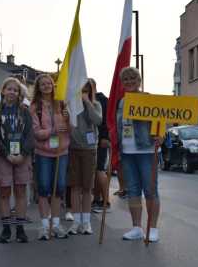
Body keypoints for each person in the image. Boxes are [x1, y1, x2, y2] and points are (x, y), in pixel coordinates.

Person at [116, 67, 161, 242]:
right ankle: (136, 227)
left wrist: (161, 135)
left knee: (150, 190)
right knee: (133, 190)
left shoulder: (147, 98)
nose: (129, 81)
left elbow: (160, 120)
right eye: (125, 79)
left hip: (146, 150)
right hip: (127, 151)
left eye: (132, 78)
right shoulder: (121, 102)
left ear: (139, 80)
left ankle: (153, 228)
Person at [0, 77, 34, 244]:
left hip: (23, 156)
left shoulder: (25, 111)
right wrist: (6, 154)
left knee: (21, 192)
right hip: (3, 157)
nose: (12, 92)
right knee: (5, 193)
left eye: (15, 90)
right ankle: (6, 228)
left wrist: (23, 153)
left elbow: (30, 135)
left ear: (19, 93)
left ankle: (20, 229)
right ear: (3, 91)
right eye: (9, 89)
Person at [30, 74, 70, 240]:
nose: (46, 86)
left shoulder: (61, 104)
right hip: (44, 152)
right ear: (38, 88)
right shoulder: (34, 107)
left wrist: (68, 121)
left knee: (59, 187)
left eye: (49, 83)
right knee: (44, 187)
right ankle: (45, 226)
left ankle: (56, 224)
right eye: (43, 84)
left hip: (61, 151)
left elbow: (69, 131)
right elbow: (36, 132)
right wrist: (51, 132)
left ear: (54, 86)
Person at [68, 79, 102, 235]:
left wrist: (88, 103)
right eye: (81, 89)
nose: (83, 92)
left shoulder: (96, 105)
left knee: (87, 187)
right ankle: (76, 221)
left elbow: (97, 120)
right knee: (75, 186)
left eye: (86, 90)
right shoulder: (70, 105)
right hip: (73, 148)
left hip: (89, 149)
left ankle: (86, 222)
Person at [90, 79, 111, 212]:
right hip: (94, 139)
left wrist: (105, 137)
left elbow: (107, 120)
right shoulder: (99, 99)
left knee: (99, 169)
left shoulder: (102, 100)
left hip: (100, 139)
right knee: (97, 170)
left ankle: (106, 200)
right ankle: (97, 199)